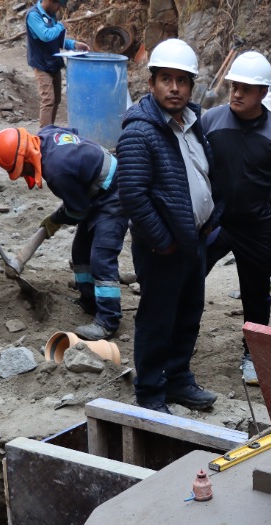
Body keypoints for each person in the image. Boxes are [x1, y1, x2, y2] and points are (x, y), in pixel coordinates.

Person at [117, 38, 220, 414]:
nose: (174, 88)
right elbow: (133, 197)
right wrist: (163, 242)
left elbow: (203, 173)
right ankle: (149, 392)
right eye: (166, 79)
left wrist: (209, 221)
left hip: (193, 241)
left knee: (189, 313)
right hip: (164, 248)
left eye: (181, 80)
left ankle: (178, 380)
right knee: (158, 318)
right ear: (152, 84)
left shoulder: (192, 123)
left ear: (192, 86)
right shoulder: (140, 132)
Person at [200, 50, 271, 385]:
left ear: (264, 93)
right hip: (217, 222)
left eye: (246, 88)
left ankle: (252, 354)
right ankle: (178, 341)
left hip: (258, 228)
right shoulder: (211, 121)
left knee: (256, 294)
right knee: (188, 275)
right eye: (233, 86)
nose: (237, 94)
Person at [0, 125, 126, 341]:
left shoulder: (57, 171)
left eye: (20, 169)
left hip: (116, 193)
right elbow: (72, 131)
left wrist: (55, 219)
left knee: (101, 257)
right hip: (93, 191)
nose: (22, 174)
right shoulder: (44, 135)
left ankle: (108, 322)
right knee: (80, 251)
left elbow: (78, 211)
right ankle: (89, 301)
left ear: (25, 159)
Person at [25, 0, 89, 128]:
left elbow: (58, 40)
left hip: (54, 62)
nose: (59, 8)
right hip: (41, 64)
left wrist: (75, 44)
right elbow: (45, 35)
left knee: (56, 100)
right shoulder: (33, 15)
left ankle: (50, 129)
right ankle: (44, 135)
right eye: (59, 5)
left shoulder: (51, 15)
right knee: (48, 100)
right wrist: (60, 26)